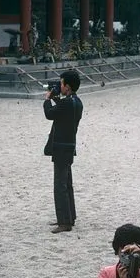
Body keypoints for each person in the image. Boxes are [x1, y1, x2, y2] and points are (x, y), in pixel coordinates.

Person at [44, 68, 83, 233]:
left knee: (59, 186)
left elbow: (49, 114)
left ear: (67, 86)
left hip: (60, 147)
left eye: (61, 83)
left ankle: (64, 222)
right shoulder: (76, 102)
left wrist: (47, 99)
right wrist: (57, 98)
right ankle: (70, 217)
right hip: (69, 146)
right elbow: (63, 109)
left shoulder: (67, 103)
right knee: (67, 184)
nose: (59, 86)